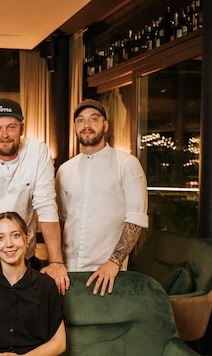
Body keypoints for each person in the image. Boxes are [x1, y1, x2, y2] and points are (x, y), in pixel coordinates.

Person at [0, 98, 69, 295]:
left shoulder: (38, 151)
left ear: (22, 128)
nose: (4, 135)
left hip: (25, 255)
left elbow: (46, 204)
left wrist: (56, 262)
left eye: (11, 127)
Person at [56, 99, 148, 296]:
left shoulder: (128, 164)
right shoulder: (64, 170)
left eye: (93, 119)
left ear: (105, 125)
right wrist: (57, 262)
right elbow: (62, 220)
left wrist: (114, 262)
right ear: (75, 127)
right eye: (80, 120)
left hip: (107, 273)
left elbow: (135, 220)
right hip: (68, 272)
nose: (86, 125)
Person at [0, 211, 66, 356]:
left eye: (15, 235)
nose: (9, 244)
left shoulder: (45, 285)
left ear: (27, 239)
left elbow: (59, 343)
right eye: (0, 238)